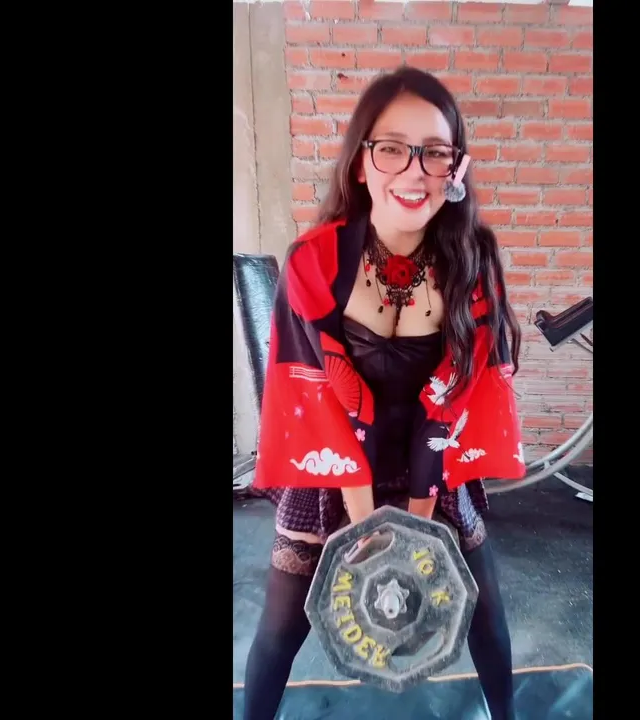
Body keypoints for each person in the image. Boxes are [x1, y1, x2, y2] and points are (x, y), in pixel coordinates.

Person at [243, 67, 526, 720]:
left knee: (486, 612)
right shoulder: (314, 261)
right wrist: (367, 523)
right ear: (361, 162)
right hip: (335, 460)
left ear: (456, 168)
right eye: (392, 148)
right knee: (281, 626)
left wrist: (415, 526)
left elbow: (450, 404)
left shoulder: (473, 263)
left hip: (434, 458)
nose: (415, 172)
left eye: (435, 152)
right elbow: (322, 400)